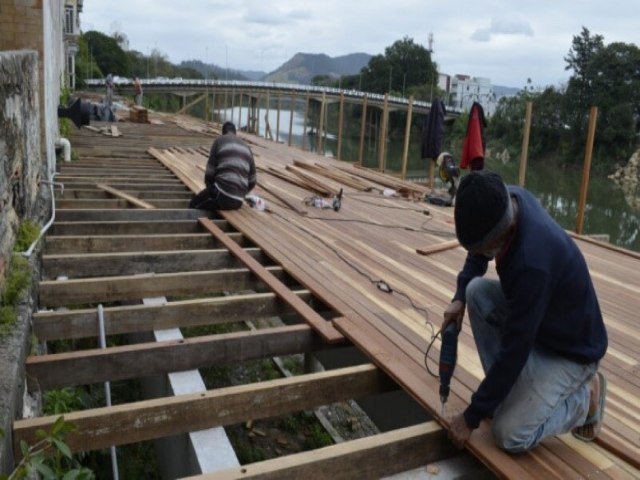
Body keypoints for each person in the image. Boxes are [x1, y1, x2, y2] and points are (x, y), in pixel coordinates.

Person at [443, 170, 608, 453]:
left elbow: (514, 351)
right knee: (475, 292)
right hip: (543, 321)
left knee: (509, 435)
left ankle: (584, 400)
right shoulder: (505, 201)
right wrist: (459, 297)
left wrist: (472, 416)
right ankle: (507, 396)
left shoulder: (532, 264)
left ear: (496, 237)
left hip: (573, 351)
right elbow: (477, 254)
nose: (479, 252)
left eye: (483, 246)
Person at [189, 121, 256, 211]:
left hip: (222, 195)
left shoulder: (219, 141)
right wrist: (240, 193)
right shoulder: (247, 147)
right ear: (235, 132)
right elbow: (252, 181)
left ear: (223, 132)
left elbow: (210, 173)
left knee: (193, 205)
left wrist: (210, 190)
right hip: (238, 202)